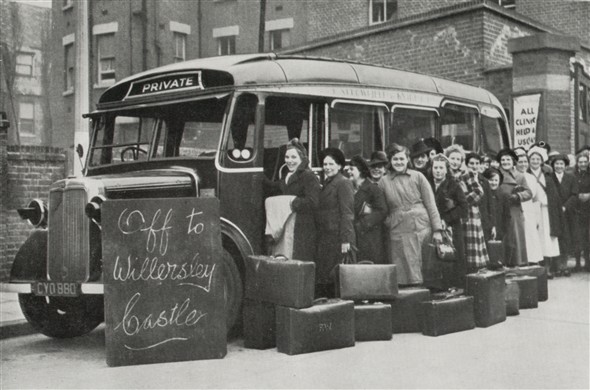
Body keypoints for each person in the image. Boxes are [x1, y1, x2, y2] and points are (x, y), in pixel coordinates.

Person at [378, 143, 443, 286]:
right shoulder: (384, 181)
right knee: (402, 271)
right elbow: (381, 208)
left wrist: (437, 230)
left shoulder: (418, 176)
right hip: (398, 229)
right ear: (390, 161)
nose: (399, 162)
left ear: (408, 159)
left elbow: (431, 204)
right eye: (395, 159)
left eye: (402, 159)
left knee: (422, 267)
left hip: (422, 229)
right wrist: (391, 220)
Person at [263, 138, 320, 261]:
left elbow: (313, 202)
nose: (289, 161)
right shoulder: (288, 175)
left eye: (293, 157)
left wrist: (292, 202)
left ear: (302, 158)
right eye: (287, 157)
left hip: (301, 229)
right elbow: (275, 186)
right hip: (287, 226)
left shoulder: (308, 176)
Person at [315, 148, 355, 297]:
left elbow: (347, 213)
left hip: (337, 237)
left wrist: (346, 240)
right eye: (325, 164)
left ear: (339, 166)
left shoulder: (343, 183)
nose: (327, 167)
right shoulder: (328, 182)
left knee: (335, 276)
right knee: (326, 274)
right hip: (326, 237)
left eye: (331, 164)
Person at [446, 145, 489, 274]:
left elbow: (478, 192)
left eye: (458, 159)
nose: (454, 161)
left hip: (469, 215)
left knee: (469, 248)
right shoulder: (445, 173)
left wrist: (463, 202)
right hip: (453, 214)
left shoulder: (466, 174)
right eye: (452, 158)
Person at [428, 154, 468, 288]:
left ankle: (454, 286)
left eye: (441, 168)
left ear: (446, 170)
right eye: (435, 167)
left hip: (451, 227)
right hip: (431, 225)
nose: (437, 171)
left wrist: (447, 219)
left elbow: (464, 207)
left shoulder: (454, 186)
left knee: (451, 256)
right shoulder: (427, 184)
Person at [527, 145, 563, 277]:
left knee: (547, 239)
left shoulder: (548, 175)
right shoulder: (526, 174)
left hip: (546, 211)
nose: (535, 161)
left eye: (537, 159)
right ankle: (535, 268)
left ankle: (547, 269)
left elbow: (554, 195)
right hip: (532, 210)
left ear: (542, 161)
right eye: (532, 159)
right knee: (533, 237)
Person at [348, 155, 387, 264]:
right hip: (355, 238)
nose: (348, 172)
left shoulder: (372, 189)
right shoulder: (349, 188)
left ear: (360, 171)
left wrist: (362, 224)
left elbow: (382, 210)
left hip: (370, 239)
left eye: (352, 169)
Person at [497, 148, 532, 266]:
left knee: (516, 239)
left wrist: (517, 196)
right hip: (500, 209)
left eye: (508, 159)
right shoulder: (496, 174)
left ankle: (517, 264)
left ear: (513, 161)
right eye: (503, 160)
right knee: (504, 238)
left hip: (515, 210)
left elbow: (529, 193)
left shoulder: (520, 176)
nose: (505, 162)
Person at [514, 149, 544, 265]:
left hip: (530, 211)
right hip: (518, 210)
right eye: (520, 162)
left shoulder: (531, 178)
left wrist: (537, 218)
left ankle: (532, 261)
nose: (523, 164)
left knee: (531, 236)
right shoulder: (514, 176)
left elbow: (536, 199)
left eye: (525, 162)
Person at [551, 154, 578, 277]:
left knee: (566, 238)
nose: (559, 166)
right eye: (556, 164)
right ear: (553, 165)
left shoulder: (570, 178)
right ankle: (555, 266)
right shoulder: (549, 178)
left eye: (561, 164)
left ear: (565, 165)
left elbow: (574, 194)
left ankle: (564, 265)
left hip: (567, 213)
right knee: (555, 238)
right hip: (553, 213)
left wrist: (565, 206)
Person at [465, 152, 493, 244]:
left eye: (477, 163)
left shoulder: (484, 181)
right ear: (466, 164)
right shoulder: (463, 179)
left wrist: (492, 225)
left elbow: (490, 204)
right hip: (469, 221)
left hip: (483, 221)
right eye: (471, 163)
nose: (474, 166)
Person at [482, 167, 510, 243]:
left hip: (499, 230)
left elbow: (507, 216)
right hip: (484, 229)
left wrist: (502, 231)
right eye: (491, 180)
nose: (494, 183)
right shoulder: (482, 194)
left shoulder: (504, 196)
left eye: (496, 180)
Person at [573, 151, 590, 272]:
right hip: (576, 209)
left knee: (588, 237)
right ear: (577, 163)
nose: (583, 164)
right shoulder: (572, 175)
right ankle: (577, 263)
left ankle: (588, 262)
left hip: (588, 209)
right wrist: (577, 195)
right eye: (580, 162)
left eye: (585, 162)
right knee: (577, 236)